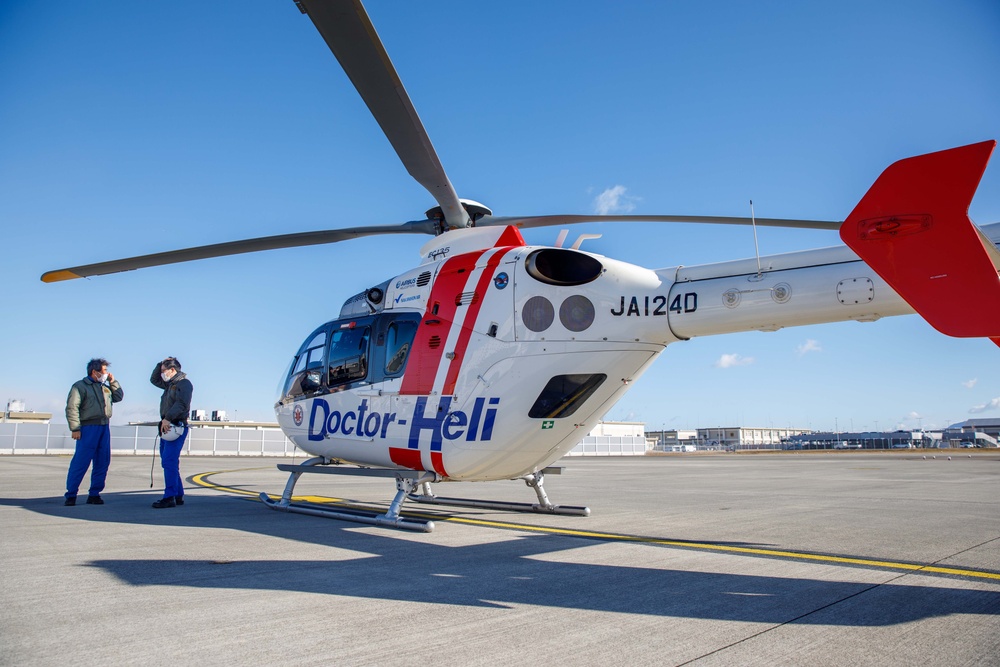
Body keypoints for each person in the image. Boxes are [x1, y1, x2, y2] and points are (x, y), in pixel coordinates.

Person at [64, 358, 124, 506]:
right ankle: (71, 494)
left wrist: (113, 382)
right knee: (80, 462)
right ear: (94, 372)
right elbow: (72, 408)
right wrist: (75, 428)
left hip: (104, 427)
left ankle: (94, 494)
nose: (106, 373)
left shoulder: (104, 387)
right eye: (104, 371)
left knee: (102, 461)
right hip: (88, 428)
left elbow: (118, 397)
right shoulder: (79, 387)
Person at [150, 357, 193, 508]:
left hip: (175, 426)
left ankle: (169, 497)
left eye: (164, 370)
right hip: (167, 426)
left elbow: (182, 404)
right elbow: (153, 380)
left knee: (169, 461)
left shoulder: (184, 384)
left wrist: (167, 418)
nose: (162, 374)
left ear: (173, 370)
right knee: (169, 462)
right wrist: (160, 362)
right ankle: (178, 494)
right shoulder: (170, 385)